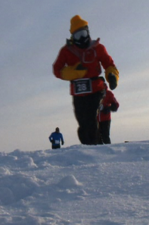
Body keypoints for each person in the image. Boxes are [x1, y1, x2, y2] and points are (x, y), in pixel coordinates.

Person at [52, 15, 119, 145]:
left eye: (83, 33)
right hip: (78, 92)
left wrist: (112, 76)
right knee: (83, 122)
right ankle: (89, 147)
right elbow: (57, 70)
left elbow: (109, 64)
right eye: (78, 35)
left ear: (88, 32)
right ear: (72, 36)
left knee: (91, 117)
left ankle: (96, 148)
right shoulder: (66, 51)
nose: (82, 38)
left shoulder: (98, 48)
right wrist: (73, 73)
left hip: (96, 89)